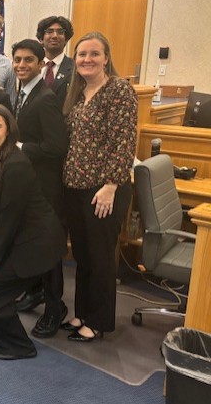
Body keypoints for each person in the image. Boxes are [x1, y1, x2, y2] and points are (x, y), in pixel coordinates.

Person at [0, 105, 66, 360]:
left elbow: (8, 218)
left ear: (9, 131)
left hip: (38, 242)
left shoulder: (16, 164)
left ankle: (19, 346)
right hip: (17, 237)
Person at [61, 32, 137, 342]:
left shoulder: (118, 90)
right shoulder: (77, 94)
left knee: (101, 256)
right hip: (75, 188)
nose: (87, 59)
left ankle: (98, 321)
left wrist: (110, 185)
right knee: (83, 255)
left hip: (104, 190)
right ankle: (81, 312)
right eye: (81, 54)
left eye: (94, 54)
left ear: (106, 58)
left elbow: (123, 141)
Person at [16, 16, 75, 314]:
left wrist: (20, 147)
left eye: (28, 60)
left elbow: (56, 147)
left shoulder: (46, 98)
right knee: (30, 242)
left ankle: (55, 308)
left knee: (48, 247)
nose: (21, 65)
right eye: (17, 60)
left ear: (41, 63)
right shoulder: (22, 92)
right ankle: (34, 292)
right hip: (28, 183)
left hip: (46, 187)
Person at [36, 16, 75, 105]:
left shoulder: (75, 68)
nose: (54, 36)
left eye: (60, 32)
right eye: (49, 32)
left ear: (66, 39)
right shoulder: (32, 66)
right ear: (41, 39)